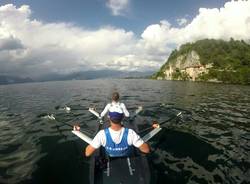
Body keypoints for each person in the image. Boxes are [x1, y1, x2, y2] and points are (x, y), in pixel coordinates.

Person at [85, 111, 150, 157]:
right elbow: (146, 150)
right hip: (127, 157)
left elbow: (87, 153)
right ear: (122, 118)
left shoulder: (101, 134)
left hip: (110, 159)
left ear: (109, 118)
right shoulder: (130, 133)